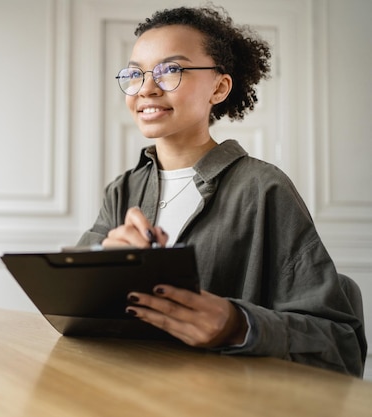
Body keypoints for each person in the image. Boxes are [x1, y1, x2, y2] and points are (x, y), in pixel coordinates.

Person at [77, 5, 366, 376]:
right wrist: (101, 265)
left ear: (219, 87)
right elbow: (70, 305)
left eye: (171, 70)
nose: (146, 87)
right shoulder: (123, 190)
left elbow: (340, 345)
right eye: (136, 74)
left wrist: (237, 325)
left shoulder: (263, 189)